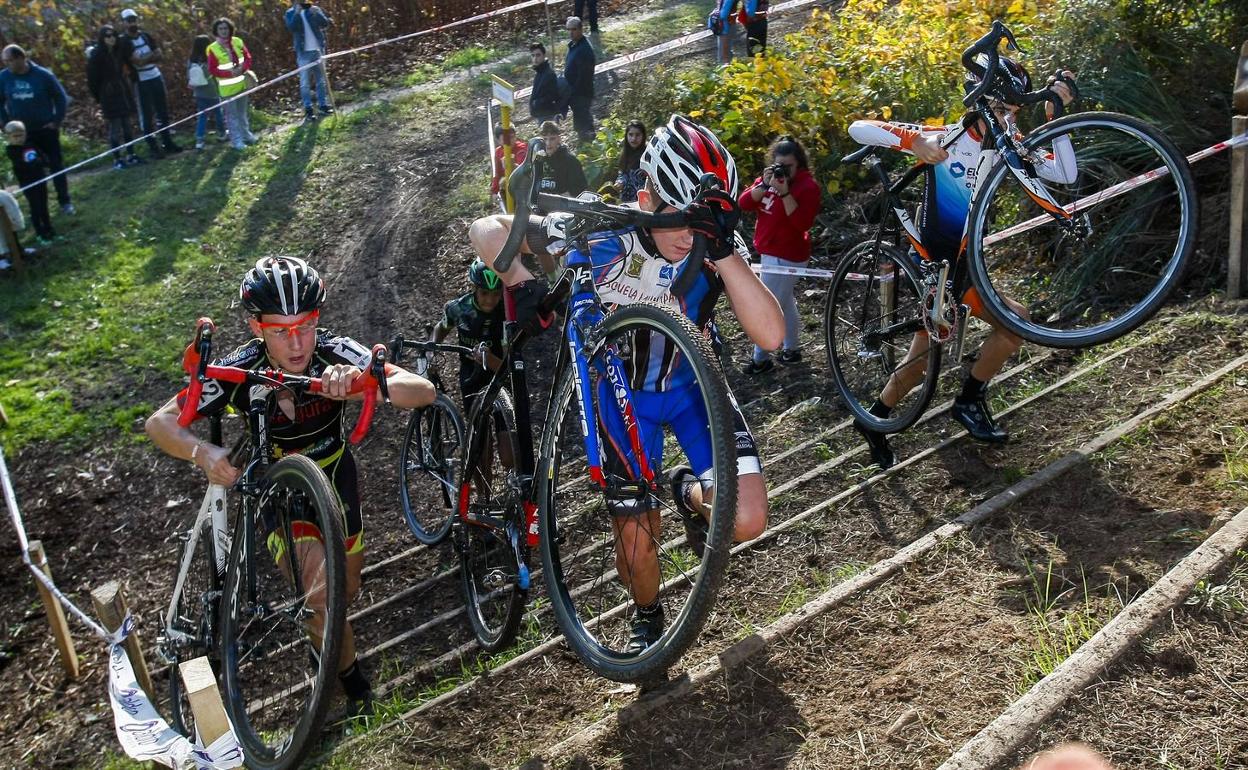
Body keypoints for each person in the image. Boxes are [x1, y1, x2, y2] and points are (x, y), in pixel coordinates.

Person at [467, 114, 784, 651]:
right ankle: (649, 615)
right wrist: (520, 282)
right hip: (620, 400)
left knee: (748, 518)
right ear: (645, 200)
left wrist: (725, 249)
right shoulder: (601, 229)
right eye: (678, 219)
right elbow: (485, 229)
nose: (689, 235)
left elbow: (772, 336)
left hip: (690, 388)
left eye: (700, 222)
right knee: (638, 546)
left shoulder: (710, 245)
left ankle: (686, 491)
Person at [145, 256, 436, 719]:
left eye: (305, 326)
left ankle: (325, 651)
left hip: (338, 482)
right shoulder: (241, 365)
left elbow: (422, 390)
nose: (297, 342)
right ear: (255, 327)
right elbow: (159, 422)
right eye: (280, 331)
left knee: (347, 590)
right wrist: (202, 454)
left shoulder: (333, 351)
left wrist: (365, 386)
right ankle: (351, 682)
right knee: (323, 592)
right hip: (281, 493)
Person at [846, 56, 1077, 468]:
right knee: (930, 359)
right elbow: (857, 128)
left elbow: (1065, 174)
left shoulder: (1010, 147)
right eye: (1002, 109)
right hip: (935, 264)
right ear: (980, 100)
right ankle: (944, 406)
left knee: (994, 331)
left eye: (1014, 111)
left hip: (965, 262)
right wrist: (911, 142)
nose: (1008, 119)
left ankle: (891, 416)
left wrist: (1056, 117)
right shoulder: (945, 138)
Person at [738, 134, 821, 374]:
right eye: (779, 165)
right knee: (785, 303)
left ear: (800, 163)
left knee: (766, 307)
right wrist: (763, 186)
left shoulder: (808, 187)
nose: (783, 171)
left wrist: (785, 193)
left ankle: (760, 359)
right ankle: (792, 350)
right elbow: (744, 204)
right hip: (769, 254)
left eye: (789, 166)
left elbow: (802, 223)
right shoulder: (770, 179)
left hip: (787, 256)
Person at [432, 261, 513, 495]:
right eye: (484, 293)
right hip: (471, 381)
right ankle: (485, 499)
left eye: (496, 294)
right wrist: (432, 350)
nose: (489, 300)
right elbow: (440, 328)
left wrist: (490, 359)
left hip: (499, 382)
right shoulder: (459, 308)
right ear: (474, 289)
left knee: (508, 454)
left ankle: (514, 496)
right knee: (481, 449)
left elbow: (507, 366)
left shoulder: (505, 314)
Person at [0, 45, 73, 215]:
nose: (7, 64)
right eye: (4, 61)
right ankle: (37, 207)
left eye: (9, 60)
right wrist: (4, 122)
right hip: (21, 135)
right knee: (27, 170)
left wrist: (56, 121)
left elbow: (60, 97)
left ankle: (65, 202)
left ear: (21, 58)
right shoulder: (3, 77)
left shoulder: (43, 75)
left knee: (56, 165)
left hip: (45, 129)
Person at [118, 9, 182, 156]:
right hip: (141, 80)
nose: (132, 23)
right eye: (128, 21)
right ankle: (153, 147)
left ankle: (167, 142)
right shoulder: (124, 41)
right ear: (123, 23)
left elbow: (160, 55)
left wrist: (146, 57)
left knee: (163, 111)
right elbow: (138, 62)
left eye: (133, 19)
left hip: (156, 76)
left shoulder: (146, 36)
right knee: (147, 115)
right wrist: (150, 56)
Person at [86, 25, 142, 169]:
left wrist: (132, 79)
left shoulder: (118, 50)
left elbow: (129, 64)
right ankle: (118, 158)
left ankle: (131, 154)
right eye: (108, 36)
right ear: (102, 38)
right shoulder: (97, 54)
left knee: (127, 126)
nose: (111, 39)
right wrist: (99, 96)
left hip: (122, 90)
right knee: (115, 128)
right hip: (108, 93)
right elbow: (92, 79)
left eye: (113, 35)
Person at [206, 18, 258, 151]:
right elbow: (212, 69)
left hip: (242, 85)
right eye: (221, 29)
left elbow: (247, 57)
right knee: (231, 116)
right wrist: (230, 74)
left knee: (242, 113)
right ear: (216, 31)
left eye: (226, 28)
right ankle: (237, 141)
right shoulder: (213, 48)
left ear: (230, 29)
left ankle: (246, 135)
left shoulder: (237, 41)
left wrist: (243, 68)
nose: (224, 31)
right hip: (227, 89)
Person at [4, 120, 54, 243]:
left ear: (25, 133)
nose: (19, 139)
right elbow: (23, 165)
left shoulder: (31, 144)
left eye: (21, 135)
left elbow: (41, 157)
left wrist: (44, 162)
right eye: (15, 136)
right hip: (28, 183)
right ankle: (40, 234)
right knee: (35, 208)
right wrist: (35, 163)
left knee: (44, 206)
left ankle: (50, 231)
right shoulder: (12, 150)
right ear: (8, 137)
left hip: (40, 179)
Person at [284, 0, 334, 121]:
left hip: (318, 49)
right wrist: (296, 13)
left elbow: (325, 24)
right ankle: (308, 109)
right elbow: (291, 28)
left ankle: (323, 105)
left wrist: (317, 14)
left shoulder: (313, 9)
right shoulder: (289, 13)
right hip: (303, 52)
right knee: (305, 83)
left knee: (321, 80)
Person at [533, 121, 588, 211]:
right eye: (545, 139)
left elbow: (579, 192)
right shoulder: (536, 160)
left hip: (563, 210)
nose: (548, 143)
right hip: (538, 208)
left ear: (559, 139)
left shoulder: (571, 161)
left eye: (552, 139)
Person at [187, 35, 226, 150]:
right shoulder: (210, 57)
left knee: (202, 115)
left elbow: (188, 75)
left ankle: (199, 140)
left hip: (198, 92)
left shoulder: (191, 60)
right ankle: (222, 133)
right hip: (212, 90)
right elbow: (216, 73)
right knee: (218, 112)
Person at [562, 17, 596, 141]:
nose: (571, 32)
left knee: (584, 124)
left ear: (581, 29)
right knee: (579, 123)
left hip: (581, 94)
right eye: (568, 29)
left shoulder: (585, 49)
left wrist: (573, 92)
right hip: (574, 93)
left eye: (574, 29)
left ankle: (589, 146)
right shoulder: (573, 45)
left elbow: (584, 76)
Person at [490, 122, 528, 208]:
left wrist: (512, 164)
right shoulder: (499, 152)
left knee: (505, 181)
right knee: (503, 182)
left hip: (523, 186)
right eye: (505, 139)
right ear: (499, 141)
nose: (509, 141)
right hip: (507, 189)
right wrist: (494, 191)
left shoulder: (522, 148)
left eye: (511, 137)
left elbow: (524, 169)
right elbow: (497, 173)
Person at [613, 120, 647, 203]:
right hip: (625, 200)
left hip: (643, 201)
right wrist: (619, 183)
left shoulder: (648, 155)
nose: (633, 138)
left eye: (637, 135)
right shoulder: (625, 154)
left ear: (643, 136)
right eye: (630, 135)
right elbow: (622, 174)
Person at [528, 42, 561, 123]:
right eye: (533, 55)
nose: (535, 58)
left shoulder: (549, 74)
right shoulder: (539, 72)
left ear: (544, 55)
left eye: (538, 55)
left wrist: (536, 103)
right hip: (541, 115)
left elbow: (553, 96)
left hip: (548, 116)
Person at [708, 0, 740, 65]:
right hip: (728, 24)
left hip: (725, 26)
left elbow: (723, 15)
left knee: (723, 52)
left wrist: (714, 14)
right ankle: (729, 65)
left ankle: (724, 69)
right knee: (728, 48)